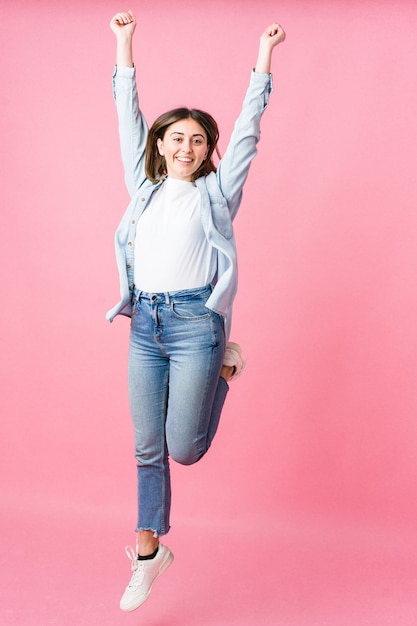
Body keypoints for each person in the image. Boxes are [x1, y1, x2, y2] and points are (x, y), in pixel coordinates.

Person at [108, 9, 286, 613]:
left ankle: (224, 369)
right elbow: (125, 118)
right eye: (175, 137)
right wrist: (124, 45)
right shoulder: (144, 186)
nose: (185, 146)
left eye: (196, 139)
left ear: (207, 151)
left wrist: (263, 60)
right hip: (146, 326)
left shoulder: (216, 193)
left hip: (194, 327)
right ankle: (148, 549)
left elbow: (248, 133)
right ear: (161, 144)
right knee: (146, 448)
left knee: (184, 448)